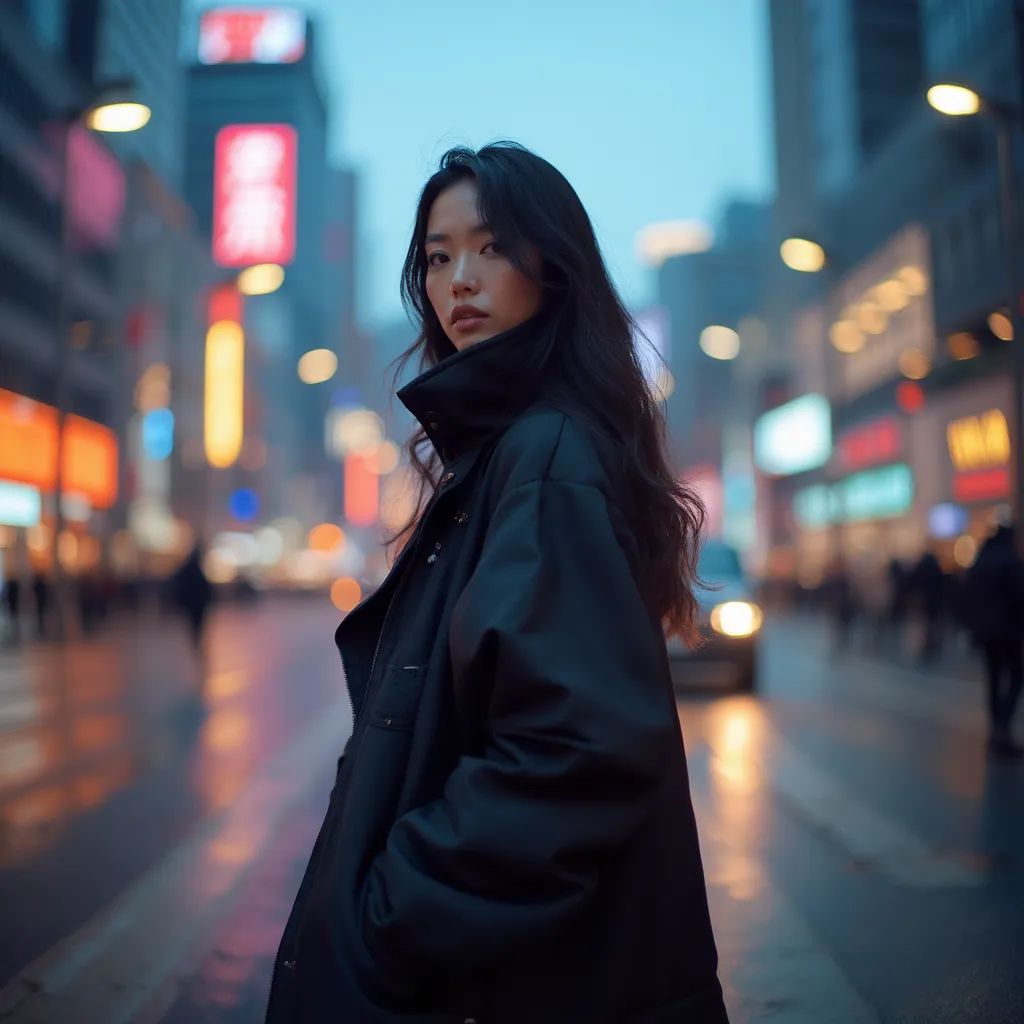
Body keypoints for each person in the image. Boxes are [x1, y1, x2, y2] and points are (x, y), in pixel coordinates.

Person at [265, 143, 728, 1023]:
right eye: (438, 257)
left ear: (552, 266)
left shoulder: (542, 454)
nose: (458, 281)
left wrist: (391, 917)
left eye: (490, 247)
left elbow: (574, 750)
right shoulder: (519, 447)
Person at [964, 525, 1024, 759]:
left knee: (994, 677)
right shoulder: (1009, 561)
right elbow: (1019, 596)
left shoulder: (980, 562)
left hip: (985, 631)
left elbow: (967, 596)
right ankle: (1003, 727)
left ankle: (996, 727)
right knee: (1016, 676)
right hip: (1006, 630)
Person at [170, 543, 213, 662]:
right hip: (197, 603)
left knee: (195, 624)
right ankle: (196, 641)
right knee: (197, 624)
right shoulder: (196, 570)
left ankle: (196, 641)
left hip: (194, 603)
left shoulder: (190, 568)